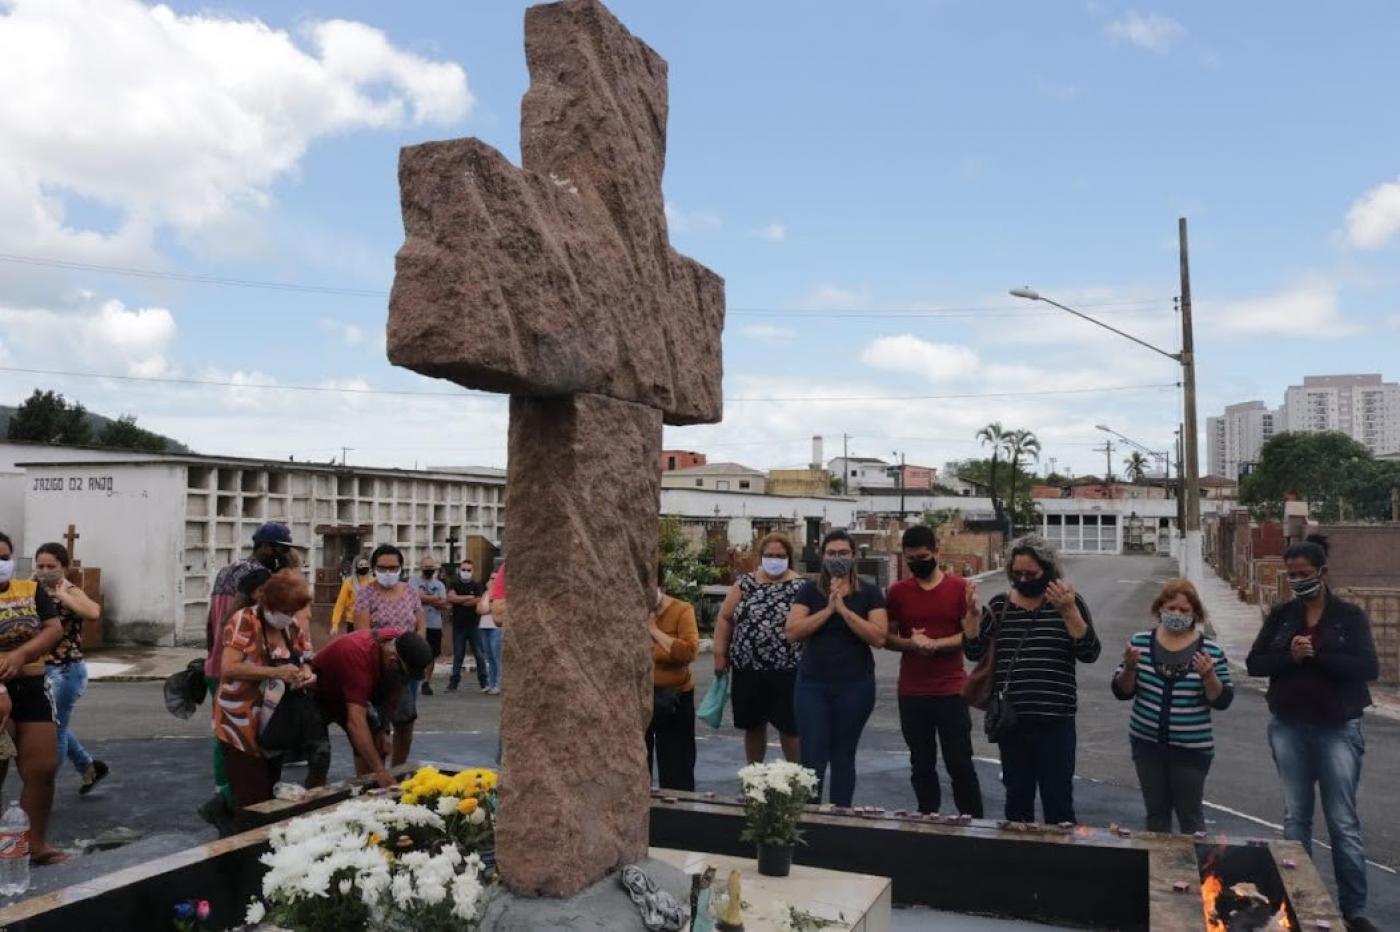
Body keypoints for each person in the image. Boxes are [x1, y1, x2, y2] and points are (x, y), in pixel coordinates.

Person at [1247, 535, 1378, 931]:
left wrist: (1317, 656)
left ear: (1322, 572)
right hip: (1288, 726)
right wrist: (1290, 656)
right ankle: (1297, 902)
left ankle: (1353, 910)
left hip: (1337, 728)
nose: (1298, 581)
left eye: (1304, 574)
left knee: (1342, 821)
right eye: (1292, 575)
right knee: (1295, 819)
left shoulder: (1348, 616)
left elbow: (1367, 668)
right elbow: (1255, 662)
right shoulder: (1283, 615)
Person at [963, 535, 1099, 825]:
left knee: (1059, 802)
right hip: (1013, 724)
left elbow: (1089, 653)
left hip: (1056, 722)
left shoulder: (1068, 603)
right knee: (1017, 800)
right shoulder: (1000, 606)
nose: (1023, 580)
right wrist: (973, 619)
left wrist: (1069, 612)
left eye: (1031, 574)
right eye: (1017, 574)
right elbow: (974, 651)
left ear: (1048, 571)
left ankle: (1062, 863)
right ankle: (1019, 863)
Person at [1112, 578, 1232, 834]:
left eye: (1184, 610)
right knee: (1156, 814)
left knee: (1190, 817)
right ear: (1160, 609)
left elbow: (1222, 700)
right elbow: (1122, 691)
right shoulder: (1141, 642)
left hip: (1190, 749)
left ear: (1195, 613)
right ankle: (1158, 872)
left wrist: (1209, 675)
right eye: (1171, 608)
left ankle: (1199, 871)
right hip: (1147, 746)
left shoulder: (1209, 650)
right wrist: (1130, 667)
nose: (1176, 614)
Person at [200, 522, 299, 824]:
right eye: (281, 549)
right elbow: (237, 616)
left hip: (217, 662)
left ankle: (227, 791)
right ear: (267, 547)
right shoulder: (257, 577)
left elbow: (211, 620)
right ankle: (234, 800)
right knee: (243, 736)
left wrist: (212, 652)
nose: (283, 555)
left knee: (224, 731)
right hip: (242, 666)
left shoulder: (226, 570)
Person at [885, 525, 983, 817]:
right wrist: (911, 643)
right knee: (921, 762)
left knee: (960, 762)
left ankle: (972, 820)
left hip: (951, 690)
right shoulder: (898, 592)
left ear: (936, 552)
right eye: (911, 558)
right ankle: (928, 817)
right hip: (912, 692)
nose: (918, 562)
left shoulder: (960, 588)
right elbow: (887, 638)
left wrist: (936, 644)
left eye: (923, 556)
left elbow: (969, 636)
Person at [786, 529, 887, 807]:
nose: (837, 558)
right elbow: (793, 631)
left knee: (843, 755)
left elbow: (879, 636)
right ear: (823, 556)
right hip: (813, 684)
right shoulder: (809, 590)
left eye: (843, 553)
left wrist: (844, 611)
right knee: (812, 756)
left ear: (854, 556)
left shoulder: (869, 592)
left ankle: (842, 817)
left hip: (855, 684)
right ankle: (810, 819)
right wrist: (828, 610)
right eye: (831, 553)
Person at [214, 570, 316, 810]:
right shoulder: (245, 621)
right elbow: (228, 668)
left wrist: (306, 672)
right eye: (286, 611)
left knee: (271, 792)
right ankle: (241, 837)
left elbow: (307, 656)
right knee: (252, 799)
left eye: (293, 611)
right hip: (240, 725)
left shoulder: (290, 626)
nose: (290, 616)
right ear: (268, 603)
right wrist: (275, 673)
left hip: (274, 726)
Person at [0, 531, 65, 864]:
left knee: (42, 768)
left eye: (4, 557)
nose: (1, 564)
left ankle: (35, 845)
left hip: (33, 687)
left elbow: (53, 628)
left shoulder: (30, 589)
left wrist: (21, 655)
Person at [714, 532, 803, 765]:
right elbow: (725, 619)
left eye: (780, 555)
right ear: (761, 556)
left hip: (787, 670)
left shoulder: (801, 586)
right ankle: (753, 779)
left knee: (791, 728)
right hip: (748, 669)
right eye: (769, 555)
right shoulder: (745, 583)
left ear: (789, 557)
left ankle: (798, 780)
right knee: (753, 727)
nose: (774, 559)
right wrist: (719, 654)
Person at [308, 629, 434, 790]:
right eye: (403, 672)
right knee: (320, 758)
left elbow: (395, 689)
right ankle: (309, 804)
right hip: (318, 694)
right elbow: (356, 722)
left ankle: (367, 794)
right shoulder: (359, 655)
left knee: (376, 745)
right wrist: (380, 771)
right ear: (393, 661)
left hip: (350, 693)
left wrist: (384, 729)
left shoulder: (397, 644)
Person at [35, 542, 108, 795]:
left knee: (53, 731)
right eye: (40, 565)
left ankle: (42, 789)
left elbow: (93, 612)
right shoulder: (31, 588)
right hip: (40, 669)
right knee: (56, 725)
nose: (44, 571)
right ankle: (88, 767)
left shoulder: (69, 589)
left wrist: (64, 594)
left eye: (51, 566)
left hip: (66, 670)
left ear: (63, 567)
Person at [354, 545, 425, 767]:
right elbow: (362, 634)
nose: (388, 572)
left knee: (405, 719)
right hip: (379, 669)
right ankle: (373, 775)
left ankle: (399, 770)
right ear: (374, 568)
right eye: (382, 568)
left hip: (407, 668)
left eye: (393, 568)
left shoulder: (410, 592)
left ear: (400, 568)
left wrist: (416, 649)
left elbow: (420, 624)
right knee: (378, 724)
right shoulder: (365, 594)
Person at [647, 564, 700, 790]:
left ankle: (680, 820)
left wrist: (654, 631)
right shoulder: (623, 610)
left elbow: (688, 652)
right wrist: (666, 650)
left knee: (677, 769)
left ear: (661, 585)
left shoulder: (681, 610)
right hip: (636, 697)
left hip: (674, 697)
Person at [409, 557, 448, 695]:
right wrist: (435, 599)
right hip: (415, 623)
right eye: (426, 566)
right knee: (414, 652)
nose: (429, 569)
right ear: (421, 567)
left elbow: (444, 603)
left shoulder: (440, 585)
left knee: (432, 654)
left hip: (434, 624)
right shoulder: (413, 581)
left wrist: (424, 598)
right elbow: (414, 598)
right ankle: (413, 678)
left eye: (431, 567)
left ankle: (426, 681)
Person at [445, 558, 486, 692]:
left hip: (474, 625)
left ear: (472, 571)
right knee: (458, 655)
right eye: (463, 569)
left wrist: (460, 600)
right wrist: (468, 597)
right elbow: (451, 598)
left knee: (479, 655)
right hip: (459, 625)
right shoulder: (454, 583)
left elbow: (478, 600)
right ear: (459, 570)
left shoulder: (477, 585)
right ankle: (453, 683)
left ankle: (484, 682)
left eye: (468, 570)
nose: (466, 572)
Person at [476, 566, 504, 696]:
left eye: (495, 578)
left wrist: (488, 608)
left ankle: (499, 684)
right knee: (489, 657)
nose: (493, 580)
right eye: (491, 578)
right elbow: (480, 610)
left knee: (496, 656)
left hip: (495, 627)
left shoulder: (499, 593)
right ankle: (491, 683)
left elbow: (492, 608)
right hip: (484, 627)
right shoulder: (486, 593)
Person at [331, 557, 372, 636]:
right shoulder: (348, 582)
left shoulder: (373, 582)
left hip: (369, 622)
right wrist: (335, 624)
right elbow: (340, 604)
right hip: (352, 622)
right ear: (356, 567)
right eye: (361, 565)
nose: (363, 567)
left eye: (366, 565)